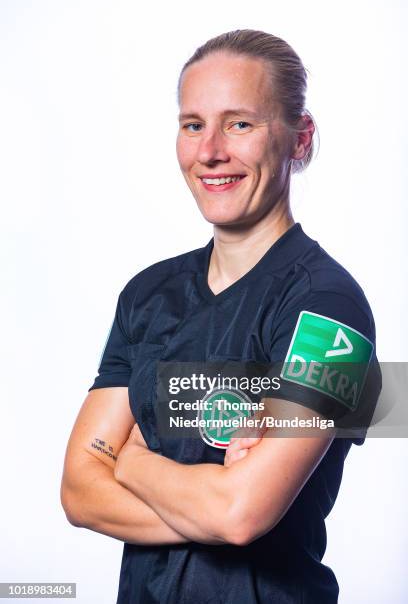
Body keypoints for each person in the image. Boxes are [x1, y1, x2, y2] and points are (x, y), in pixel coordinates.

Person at [61, 29, 381, 603]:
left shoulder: (331, 312)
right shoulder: (146, 295)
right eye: (192, 124)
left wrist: (130, 462)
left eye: (239, 123)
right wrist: (212, 498)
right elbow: (79, 492)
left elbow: (241, 514)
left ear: (300, 138)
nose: (209, 151)